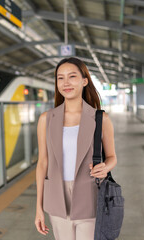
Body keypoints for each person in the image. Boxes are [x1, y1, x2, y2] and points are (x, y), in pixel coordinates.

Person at [34, 57, 117, 240]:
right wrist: (38, 207)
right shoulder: (46, 119)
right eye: (60, 78)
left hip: (89, 195)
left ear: (84, 80)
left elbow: (111, 157)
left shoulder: (100, 119)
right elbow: (42, 163)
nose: (66, 83)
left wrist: (106, 167)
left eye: (72, 76)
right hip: (56, 196)